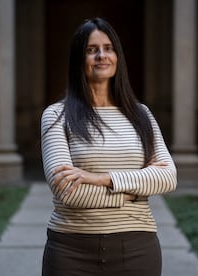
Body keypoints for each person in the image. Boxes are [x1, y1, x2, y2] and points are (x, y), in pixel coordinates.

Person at [40, 17, 177, 276]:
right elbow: (68, 193)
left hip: (137, 247)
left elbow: (168, 177)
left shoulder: (141, 114)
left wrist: (100, 178)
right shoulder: (57, 115)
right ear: (79, 60)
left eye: (108, 48)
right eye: (91, 50)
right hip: (70, 250)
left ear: (117, 56)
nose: (101, 55)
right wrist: (134, 191)